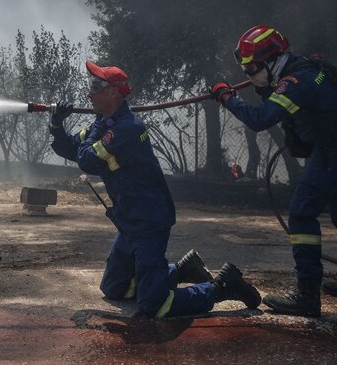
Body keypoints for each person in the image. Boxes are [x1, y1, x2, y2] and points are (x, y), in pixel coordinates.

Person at [50, 60, 262, 318]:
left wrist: (98, 123)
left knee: (154, 305)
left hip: (149, 222)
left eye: (95, 87)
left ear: (114, 92)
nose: (88, 93)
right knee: (114, 289)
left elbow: (86, 159)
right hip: (129, 222)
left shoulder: (127, 129)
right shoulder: (105, 126)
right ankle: (183, 271)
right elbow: (68, 148)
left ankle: (222, 286)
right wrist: (57, 125)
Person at [211, 26, 337, 317]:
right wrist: (263, 88)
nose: (248, 74)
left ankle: (307, 294)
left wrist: (227, 97)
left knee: (301, 213)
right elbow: (279, 108)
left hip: (330, 152)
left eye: (251, 67)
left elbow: (261, 119)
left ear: (270, 59)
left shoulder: (297, 81)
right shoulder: (306, 70)